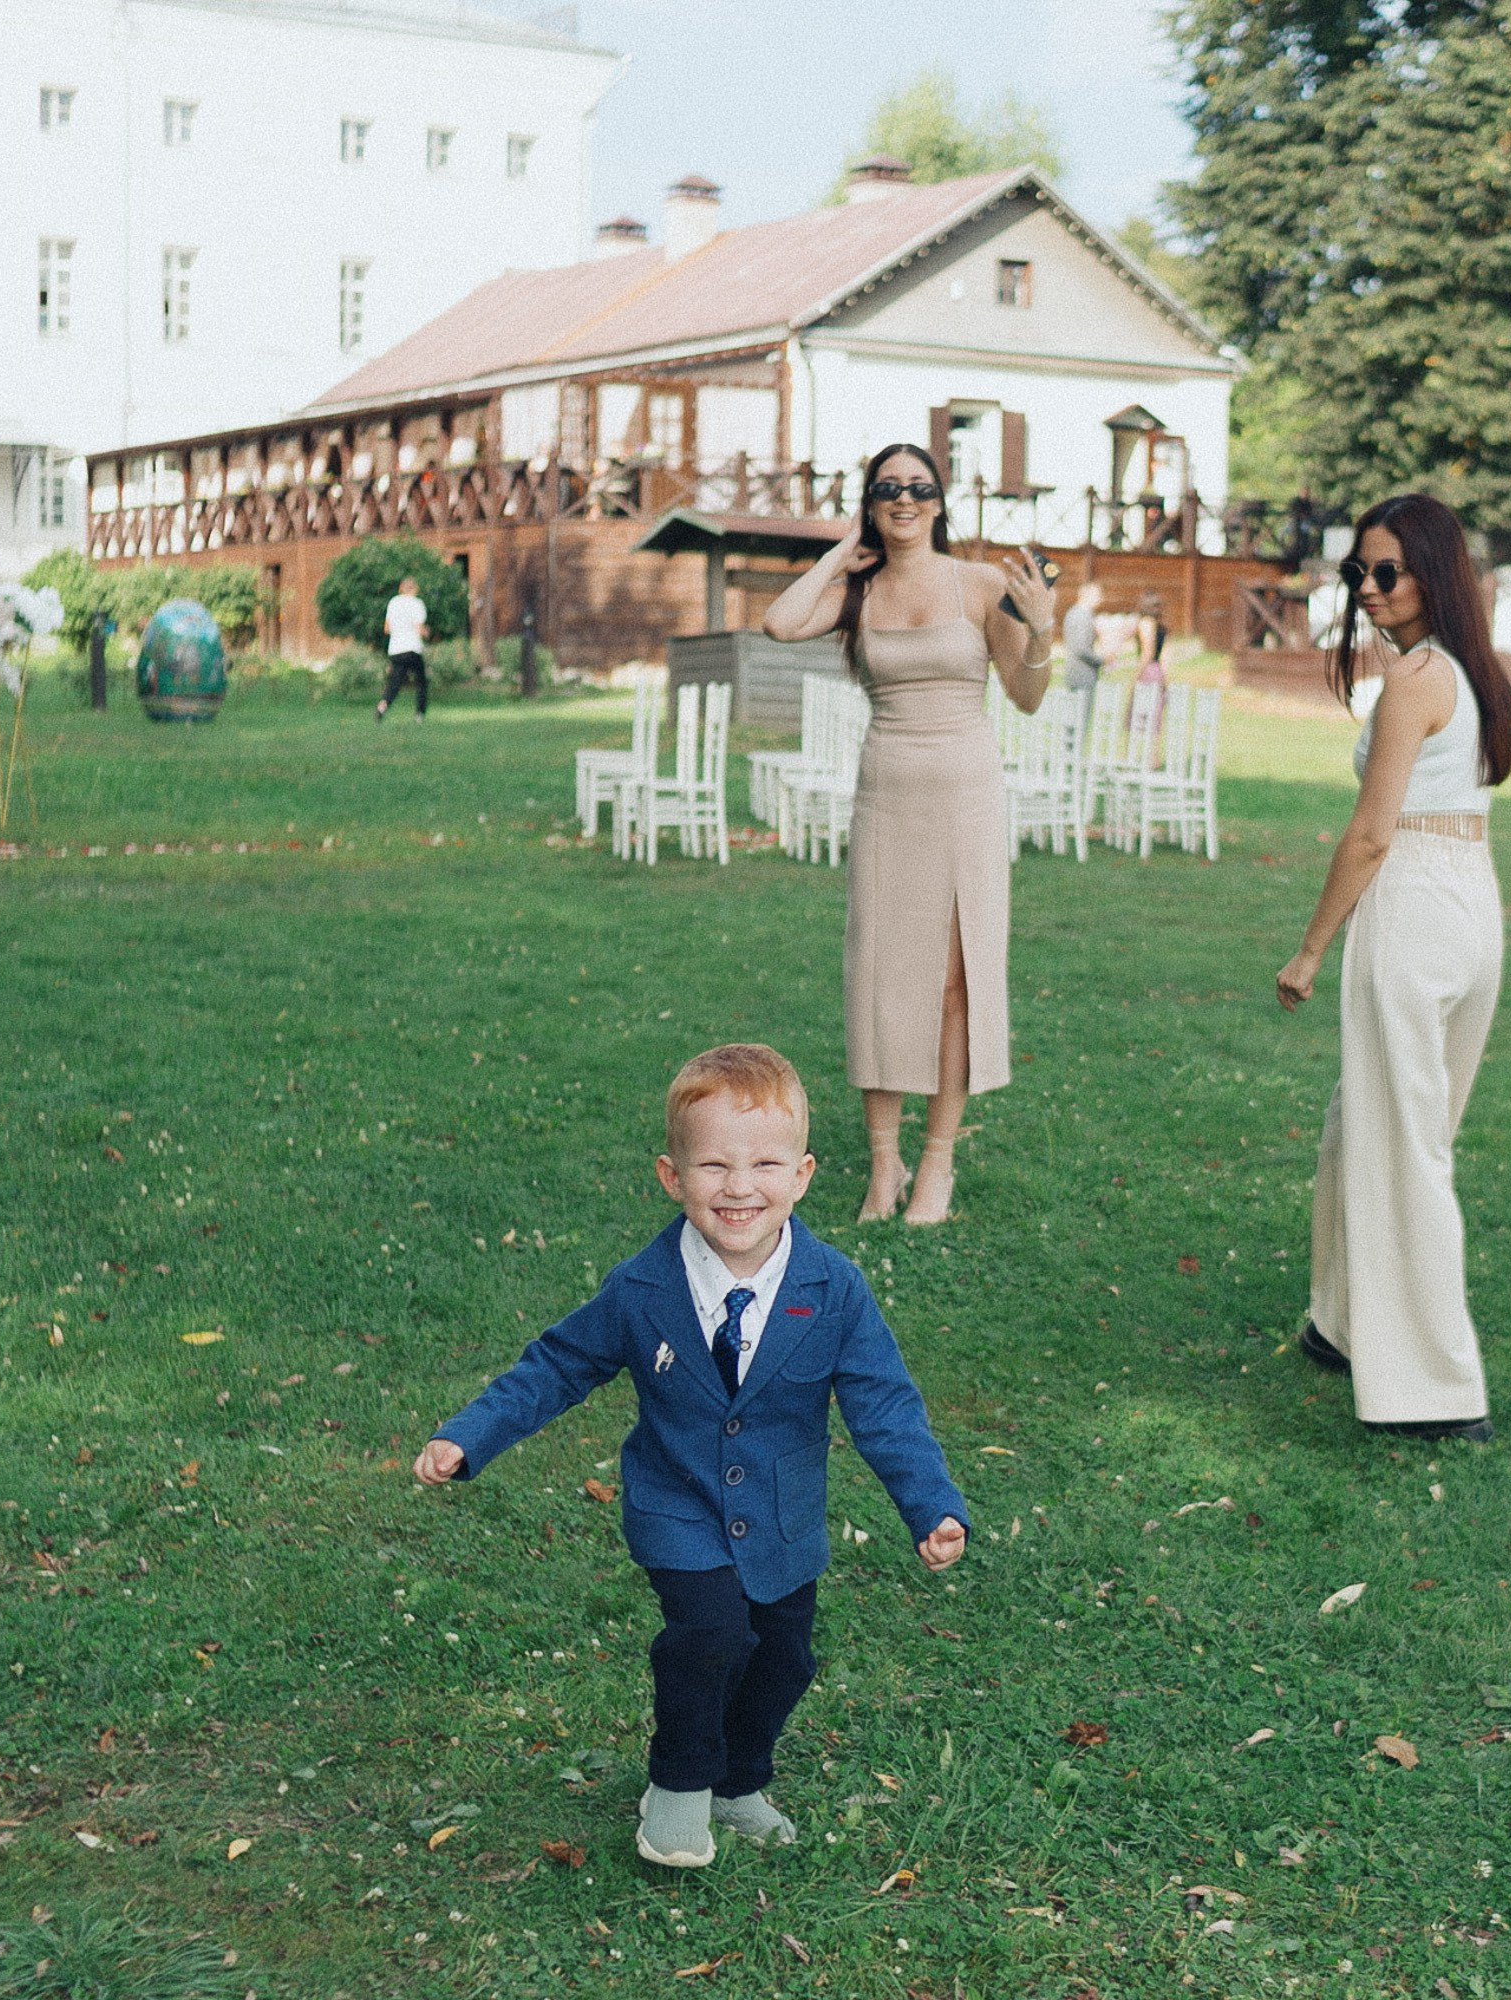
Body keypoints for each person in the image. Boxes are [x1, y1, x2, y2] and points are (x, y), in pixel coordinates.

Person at [414, 1044, 969, 1868]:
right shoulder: (643, 1290)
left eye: (765, 1164)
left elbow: (883, 1403)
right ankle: (676, 1787)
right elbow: (559, 1364)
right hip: (677, 1506)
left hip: (782, 1521)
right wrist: (471, 1434)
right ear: (673, 1177)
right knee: (707, 1635)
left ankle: (737, 1782)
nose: (739, 1187)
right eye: (713, 1165)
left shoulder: (835, 1289)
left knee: (783, 1659)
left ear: (805, 1174)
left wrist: (932, 1504)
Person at [762, 443, 1056, 1225]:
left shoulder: (981, 584)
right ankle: (884, 1163)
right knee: (882, 977)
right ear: (870, 500)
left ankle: (937, 1165)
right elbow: (778, 621)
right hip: (887, 794)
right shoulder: (858, 591)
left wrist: (1044, 633)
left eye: (918, 487)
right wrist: (834, 557)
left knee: (955, 982)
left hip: (965, 794)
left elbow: (1026, 695)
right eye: (887, 488)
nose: (904, 499)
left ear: (939, 499)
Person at [1276, 493, 1511, 1442]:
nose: (1369, 590)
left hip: (1415, 900)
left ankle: (1436, 1388)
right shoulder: (1472, 672)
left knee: (1406, 1145)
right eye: (1358, 573)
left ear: (1432, 574)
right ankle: (1339, 1321)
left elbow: (1373, 833)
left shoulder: (1416, 680)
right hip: (1470, 905)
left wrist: (1308, 948)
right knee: (1367, 1121)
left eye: (1388, 572)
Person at [376, 577, 429, 721]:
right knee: (421, 682)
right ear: (414, 589)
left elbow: (387, 628)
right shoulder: (417, 604)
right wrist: (427, 632)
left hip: (395, 649)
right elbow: (419, 629)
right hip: (412, 648)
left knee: (394, 683)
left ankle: (382, 707)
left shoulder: (393, 603)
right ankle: (419, 714)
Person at [1060, 580, 1106, 703]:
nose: (1101, 598)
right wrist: (1102, 660)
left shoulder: (1073, 612)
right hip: (1083, 674)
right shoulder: (1083, 616)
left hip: (1074, 671)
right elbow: (1081, 649)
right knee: (1080, 718)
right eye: (1098, 595)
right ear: (1088, 596)